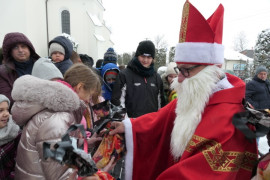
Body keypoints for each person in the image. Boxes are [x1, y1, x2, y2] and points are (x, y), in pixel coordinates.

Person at [109, 1, 257, 179]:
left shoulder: (231, 119)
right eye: (179, 70)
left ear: (210, 71)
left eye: (186, 70)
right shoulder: (198, 96)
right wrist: (128, 125)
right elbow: (160, 119)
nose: (179, 78)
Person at [11, 64, 114, 179]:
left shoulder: (58, 109)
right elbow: (60, 174)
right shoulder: (58, 117)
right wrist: (97, 175)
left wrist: (83, 143)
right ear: (80, 87)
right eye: (89, 95)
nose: (88, 100)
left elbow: (57, 144)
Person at [111, 40, 165, 118]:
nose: (145, 60)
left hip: (152, 124)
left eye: (149, 57)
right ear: (137, 56)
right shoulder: (124, 75)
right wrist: (126, 123)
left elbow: (160, 102)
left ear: (153, 58)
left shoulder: (156, 77)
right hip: (131, 124)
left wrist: (158, 120)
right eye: (143, 56)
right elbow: (117, 101)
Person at [0, 32, 40, 107]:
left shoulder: (42, 65)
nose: (20, 50)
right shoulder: (3, 72)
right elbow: (8, 99)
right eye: (15, 47)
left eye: (23, 46)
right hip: (19, 113)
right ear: (10, 52)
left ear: (29, 48)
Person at [0, 94, 21, 179]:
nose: (6, 114)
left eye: (7, 110)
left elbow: (20, 166)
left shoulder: (15, 134)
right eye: (0, 110)